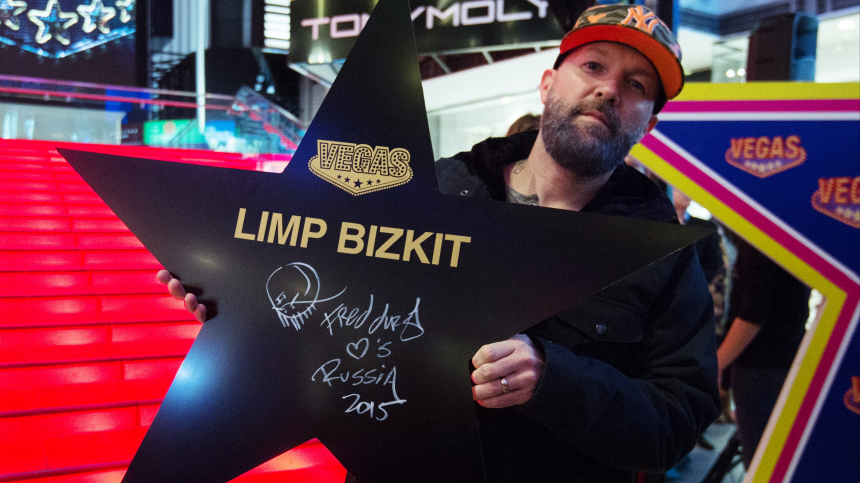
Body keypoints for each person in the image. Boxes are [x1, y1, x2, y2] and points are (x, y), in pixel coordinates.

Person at [160, 4, 720, 482]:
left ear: (648, 122)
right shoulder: (431, 187)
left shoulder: (664, 254)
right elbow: (327, 298)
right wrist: (238, 297)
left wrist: (555, 380)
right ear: (549, 83)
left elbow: (678, 420)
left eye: (636, 85)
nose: (609, 90)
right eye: (593, 65)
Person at [717, 237, 810, 468]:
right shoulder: (793, 242)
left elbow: (752, 315)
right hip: (785, 359)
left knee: (762, 463)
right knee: (778, 458)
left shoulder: (761, 244)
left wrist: (715, 365)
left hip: (760, 368)